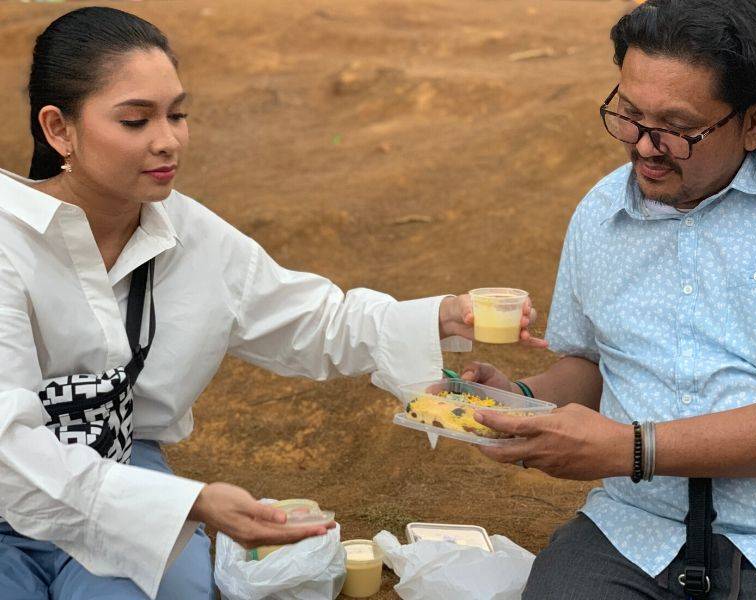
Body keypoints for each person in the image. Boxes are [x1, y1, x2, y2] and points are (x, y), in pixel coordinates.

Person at [0, 7, 539, 599]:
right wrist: (194, 503)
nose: (168, 140)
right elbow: (10, 449)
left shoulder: (189, 235)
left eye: (178, 115)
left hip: (125, 476)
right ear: (59, 130)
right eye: (135, 120)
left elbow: (313, 320)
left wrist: (441, 314)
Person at [462, 0, 756, 598]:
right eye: (630, 115)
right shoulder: (601, 214)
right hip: (633, 532)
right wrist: (520, 401)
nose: (644, 147)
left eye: (676, 127)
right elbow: (592, 363)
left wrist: (633, 448)